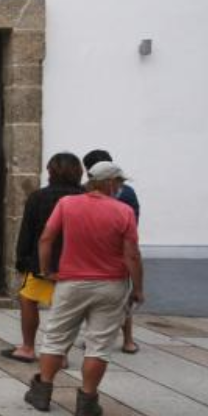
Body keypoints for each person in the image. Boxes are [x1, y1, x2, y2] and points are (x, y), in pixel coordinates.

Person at [24, 161, 143, 416]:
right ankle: (87, 401)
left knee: (56, 338)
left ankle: (42, 392)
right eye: (119, 182)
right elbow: (132, 255)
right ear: (110, 183)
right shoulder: (124, 212)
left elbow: (46, 238)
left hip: (71, 283)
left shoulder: (67, 204)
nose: (121, 187)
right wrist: (138, 288)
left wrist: (46, 271)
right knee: (99, 345)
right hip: (111, 285)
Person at [2, 152, 84, 364]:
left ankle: (28, 347)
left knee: (28, 300)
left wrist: (22, 260)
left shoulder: (39, 197)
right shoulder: (85, 197)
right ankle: (61, 353)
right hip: (76, 263)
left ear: (51, 172)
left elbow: (28, 232)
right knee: (66, 309)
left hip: (43, 262)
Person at [83, 149, 141, 355]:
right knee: (123, 298)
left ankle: (95, 337)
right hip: (119, 252)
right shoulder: (128, 192)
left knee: (91, 299)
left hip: (93, 252)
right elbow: (134, 223)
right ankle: (128, 341)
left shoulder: (83, 193)